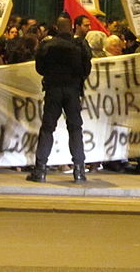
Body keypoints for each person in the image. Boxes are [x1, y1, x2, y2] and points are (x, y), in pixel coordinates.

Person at [27, 17, 92, 183]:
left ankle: (40, 170)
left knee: (48, 128)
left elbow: (40, 68)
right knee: (75, 129)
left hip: (53, 89)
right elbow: (87, 69)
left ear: (56, 27)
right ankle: (79, 171)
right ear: (71, 27)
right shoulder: (79, 45)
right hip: (72, 90)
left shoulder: (47, 45)